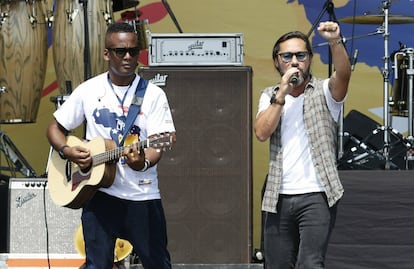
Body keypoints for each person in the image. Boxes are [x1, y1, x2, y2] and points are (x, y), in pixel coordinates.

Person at [46, 22, 175, 269]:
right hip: (100, 194)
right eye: (120, 51)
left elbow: (158, 143)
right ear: (106, 53)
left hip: (142, 194)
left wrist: (142, 161)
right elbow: (54, 128)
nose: (128, 57)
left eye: (133, 51)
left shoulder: (153, 95)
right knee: (97, 265)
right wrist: (68, 151)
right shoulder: (89, 90)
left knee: (157, 263)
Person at [254, 21, 351, 269]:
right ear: (277, 62)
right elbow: (262, 132)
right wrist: (282, 93)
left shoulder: (323, 91)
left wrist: (334, 41)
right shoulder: (270, 95)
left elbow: (343, 74)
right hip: (278, 194)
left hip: (317, 193)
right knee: (276, 264)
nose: (294, 61)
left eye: (301, 55)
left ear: (309, 59)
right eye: (287, 56)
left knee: (310, 263)